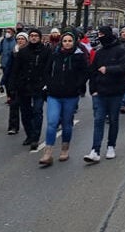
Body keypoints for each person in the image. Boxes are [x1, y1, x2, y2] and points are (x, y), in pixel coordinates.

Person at [39, 31, 90, 166]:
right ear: (61, 42)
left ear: (74, 42)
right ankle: (48, 153)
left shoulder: (79, 56)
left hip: (70, 95)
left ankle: (64, 149)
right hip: (54, 94)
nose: (67, 43)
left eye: (69, 41)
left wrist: (77, 86)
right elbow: (46, 71)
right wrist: (49, 84)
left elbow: (85, 73)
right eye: (65, 41)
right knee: (52, 122)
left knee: (67, 123)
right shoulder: (55, 55)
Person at [84, 26, 125, 163]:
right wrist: (93, 90)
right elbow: (92, 72)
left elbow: (123, 68)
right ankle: (95, 150)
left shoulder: (121, 50)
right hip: (100, 92)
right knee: (98, 120)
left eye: (102, 34)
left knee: (114, 120)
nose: (100, 36)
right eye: (99, 34)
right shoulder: (99, 52)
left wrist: (108, 69)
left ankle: (111, 146)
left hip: (116, 92)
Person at [11, 28, 51, 150]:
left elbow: (48, 69)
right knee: (25, 112)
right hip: (24, 87)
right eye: (31, 36)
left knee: (37, 111)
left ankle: (35, 137)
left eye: (36, 36)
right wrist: (13, 85)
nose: (33, 38)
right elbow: (16, 69)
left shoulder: (46, 51)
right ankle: (29, 134)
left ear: (39, 37)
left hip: (39, 86)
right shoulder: (23, 52)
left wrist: (46, 83)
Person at [0, 28, 19, 134]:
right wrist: (2, 82)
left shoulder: (21, 49)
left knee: (26, 108)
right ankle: (13, 126)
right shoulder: (4, 41)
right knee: (14, 104)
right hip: (7, 69)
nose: (7, 33)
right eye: (6, 31)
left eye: (9, 32)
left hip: (25, 83)